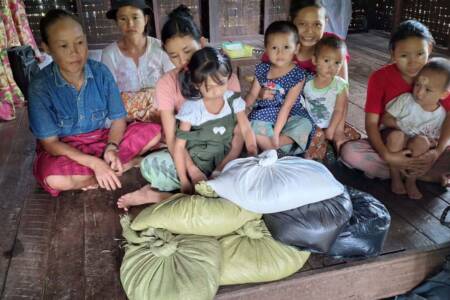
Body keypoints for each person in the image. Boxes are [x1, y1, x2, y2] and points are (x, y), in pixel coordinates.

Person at [117, 5, 242, 208]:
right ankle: (200, 196)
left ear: (202, 43)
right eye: (174, 56)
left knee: (244, 170)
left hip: (224, 150)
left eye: (188, 51)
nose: (183, 61)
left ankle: (161, 197)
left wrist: (222, 168)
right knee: (151, 166)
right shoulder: (166, 84)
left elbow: (238, 132)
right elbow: (173, 136)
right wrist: (191, 172)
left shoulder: (224, 77)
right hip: (188, 153)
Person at [28, 9, 161, 196]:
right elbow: (50, 143)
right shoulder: (40, 86)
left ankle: (102, 171)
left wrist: (112, 147)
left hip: (102, 140)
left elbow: (118, 119)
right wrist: (94, 163)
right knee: (51, 175)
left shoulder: (101, 73)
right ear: (47, 48)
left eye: (80, 42)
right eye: (63, 46)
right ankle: (119, 167)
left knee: (153, 132)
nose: (75, 52)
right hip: (66, 149)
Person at [340, 20, 450, 184]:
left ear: (430, 49)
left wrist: (436, 152)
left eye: (420, 54)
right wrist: (387, 155)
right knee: (350, 152)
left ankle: (405, 170)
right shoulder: (380, 78)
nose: (413, 62)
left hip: (428, 147)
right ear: (393, 53)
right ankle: (419, 174)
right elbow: (371, 123)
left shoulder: (439, 75)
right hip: (392, 142)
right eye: (404, 56)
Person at [173, 47, 255, 193]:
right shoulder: (191, 108)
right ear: (196, 84)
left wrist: (252, 151)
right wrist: (189, 176)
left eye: (221, 83)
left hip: (228, 159)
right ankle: (152, 195)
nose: (217, 91)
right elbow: (179, 147)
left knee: (247, 180)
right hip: (197, 162)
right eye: (209, 87)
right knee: (158, 169)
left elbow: (246, 129)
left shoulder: (233, 101)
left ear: (229, 76)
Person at [381, 58, 450, 199]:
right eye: (417, 85)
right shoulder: (406, 100)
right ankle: (395, 176)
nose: (419, 92)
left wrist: (432, 144)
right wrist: (400, 125)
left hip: (418, 150)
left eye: (428, 90)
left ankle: (411, 180)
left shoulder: (441, 115)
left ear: (443, 94)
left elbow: (437, 140)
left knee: (423, 142)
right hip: (397, 144)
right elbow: (386, 119)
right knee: (396, 136)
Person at [245, 20, 313, 154]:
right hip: (265, 111)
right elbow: (252, 95)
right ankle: (276, 149)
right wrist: (243, 110)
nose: (280, 53)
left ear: (297, 48)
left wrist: (276, 134)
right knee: (252, 123)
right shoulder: (262, 69)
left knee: (305, 124)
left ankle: (274, 146)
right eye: (274, 48)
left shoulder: (298, 75)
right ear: (266, 49)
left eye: (286, 47)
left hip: (290, 112)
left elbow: (287, 106)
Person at [102, 0, 174, 121]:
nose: (130, 24)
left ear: (145, 19)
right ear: (116, 22)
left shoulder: (161, 48)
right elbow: (109, 95)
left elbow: (173, 84)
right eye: (123, 19)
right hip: (125, 120)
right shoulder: (109, 54)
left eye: (135, 17)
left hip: (163, 115)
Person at [303, 35, 349, 151]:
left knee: (344, 145)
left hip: (332, 125)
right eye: (326, 60)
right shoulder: (307, 82)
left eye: (337, 62)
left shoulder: (340, 85)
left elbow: (339, 109)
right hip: (311, 126)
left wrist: (332, 129)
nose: (331, 67)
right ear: (314, 60)